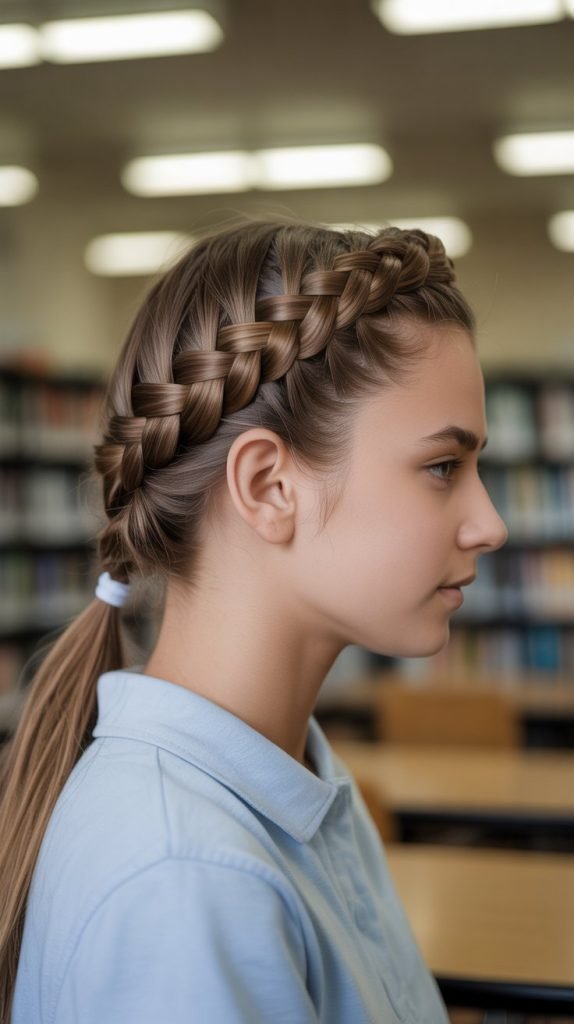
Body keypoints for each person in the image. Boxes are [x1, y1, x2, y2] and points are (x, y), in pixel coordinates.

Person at [0, 218, 508, 1023]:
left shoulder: (300, 776)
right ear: (270, 487)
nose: (490, 524)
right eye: (443, 467)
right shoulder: (186, 879)